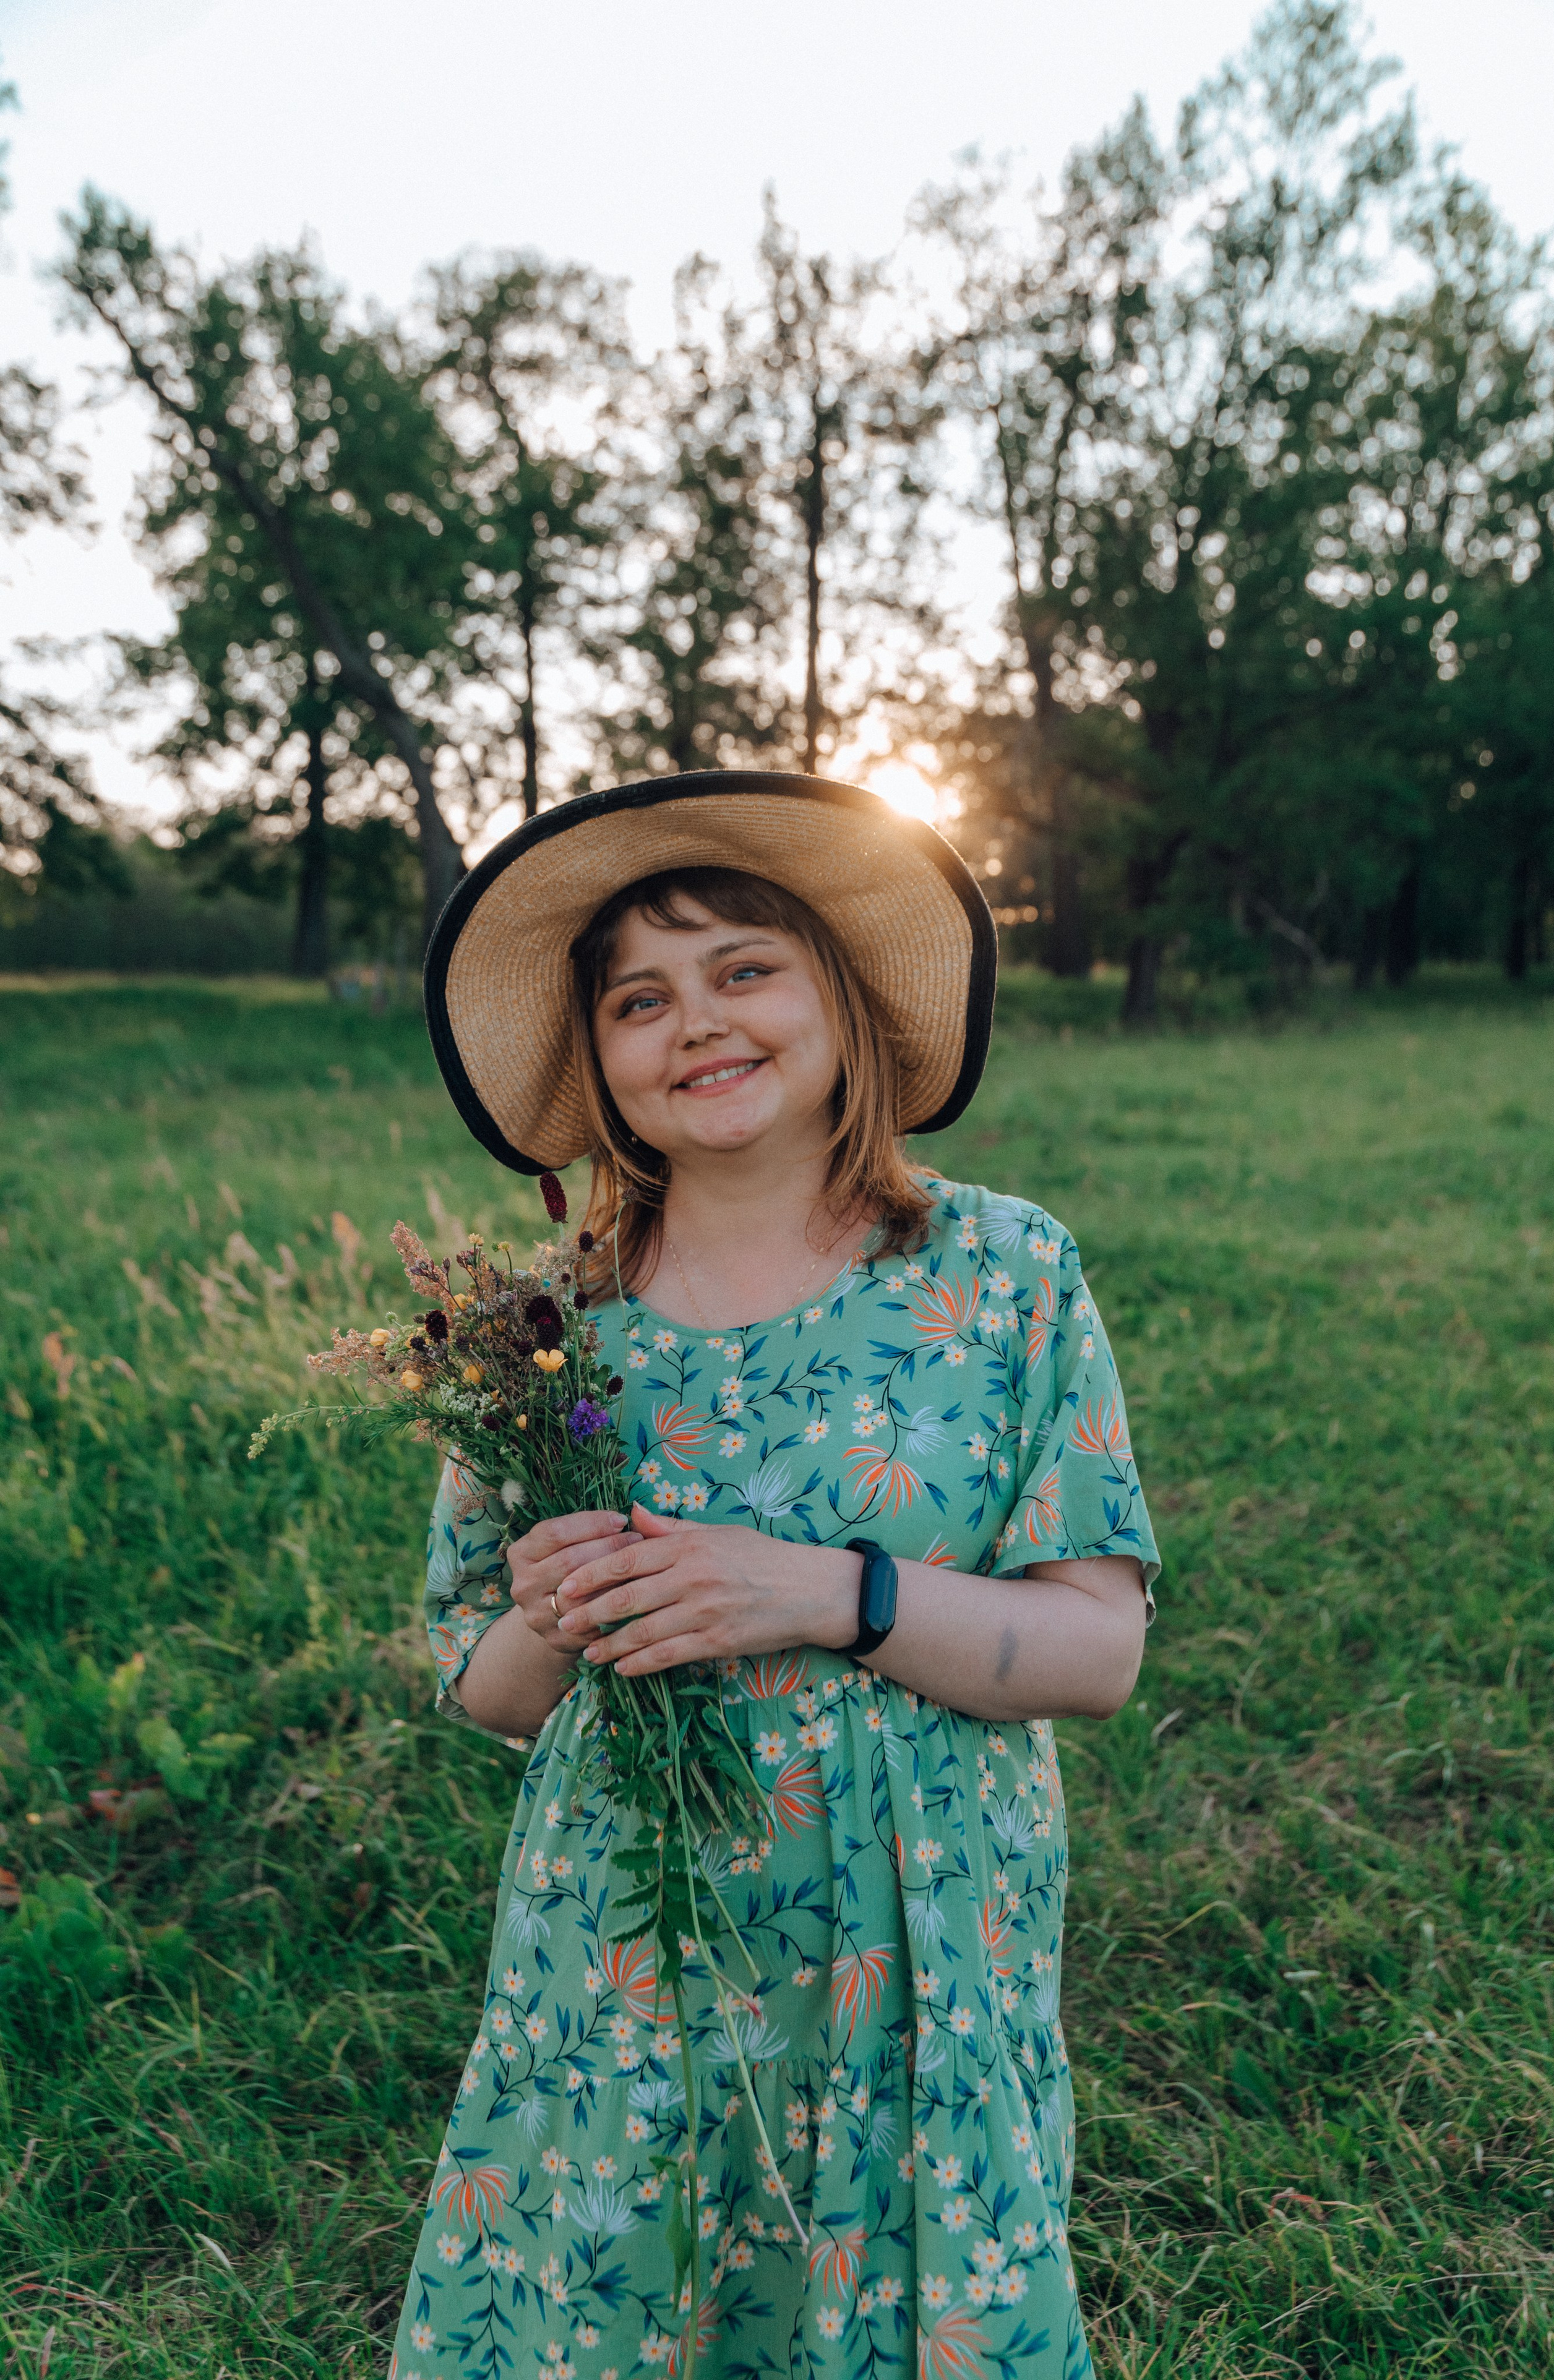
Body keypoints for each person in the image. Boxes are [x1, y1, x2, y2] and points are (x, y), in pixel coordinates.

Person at [392, 772, 1159, 2380]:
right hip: (623, 1954)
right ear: (596, 1055)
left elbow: (1095, 1652)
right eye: (639, 999)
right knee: (630, 2308)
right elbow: (475, 1679)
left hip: (914, 1950)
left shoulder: (1002, 1272)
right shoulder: (537, 1325)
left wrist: (826, 1593)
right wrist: (548, 1617)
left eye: (746, 968)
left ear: (842, 999)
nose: (697, 1024)